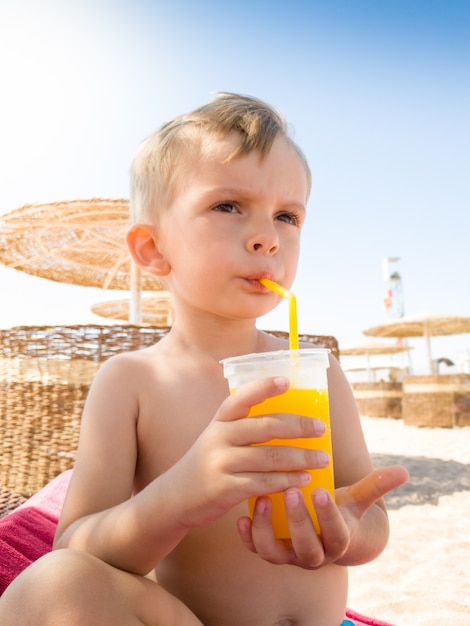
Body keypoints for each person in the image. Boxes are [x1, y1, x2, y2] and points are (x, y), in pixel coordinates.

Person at [0, 93, 408, 625]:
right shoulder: (131, 382)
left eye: (287, 216)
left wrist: (350, 529)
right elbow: (78, 546)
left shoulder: (317, 371)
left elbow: (368, 511)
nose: (267, 238)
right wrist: (179, 495)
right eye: (227, 206)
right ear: (152, 249)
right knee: (52, 586)